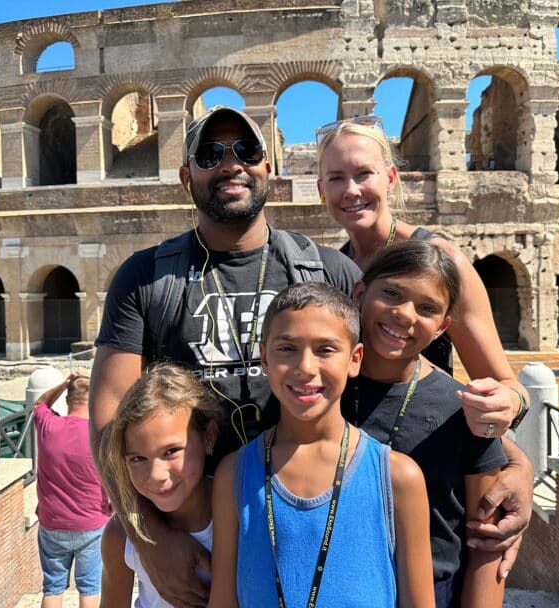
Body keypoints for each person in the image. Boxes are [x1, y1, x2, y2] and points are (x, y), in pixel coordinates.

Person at [90, 106, 360, 607]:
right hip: (193, 535)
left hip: (304, 518)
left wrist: (505, 428)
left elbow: (392, 377)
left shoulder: (328, 271)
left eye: (247, 151)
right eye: (211, 154)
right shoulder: (145, 278)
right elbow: (109, 423)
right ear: (184, 175)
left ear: (269, 168)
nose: (231, 164)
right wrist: (149, 537)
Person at [315, 115, 534, 577]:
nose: (351, 190)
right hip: (358, 474)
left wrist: (517, 463)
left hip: (433, 476)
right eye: (336, 178)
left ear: (390, 178)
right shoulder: (335, 271)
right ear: (321, 189)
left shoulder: (445, 261)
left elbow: (507, 388)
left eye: (363, 174)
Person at [209, 282, 435, 607]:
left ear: (355, 359)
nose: (305, 367)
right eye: (287, 348)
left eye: (325, 350)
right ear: (265, 358)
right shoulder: (234, 474)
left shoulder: (399, 478)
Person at [345, 240, 507, 607]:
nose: (405, 313)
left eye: (427, 308)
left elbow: (486, 542)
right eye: (391, 293)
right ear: (360, 294)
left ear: (442, 327)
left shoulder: (465, 409)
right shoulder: (323, 391)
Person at [98, 362, 223, 608]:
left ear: (208, 436)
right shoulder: (119, 534)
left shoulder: (242, 515)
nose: (155, 475)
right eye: (138, 458)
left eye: (171, 451)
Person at [34, 371, 111, 608]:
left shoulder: (48, 426)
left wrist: (64, 383)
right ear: (94, 400)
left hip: (52, 523)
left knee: (53, 588)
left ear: (67, 400)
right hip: (91, 524)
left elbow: (40, 403)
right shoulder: (101, 436)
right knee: (89, 588)